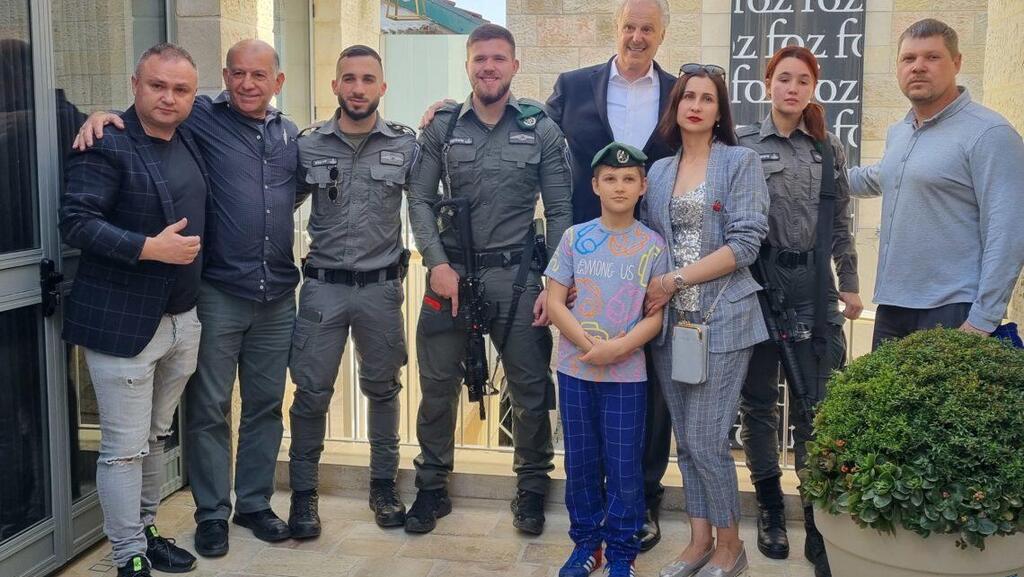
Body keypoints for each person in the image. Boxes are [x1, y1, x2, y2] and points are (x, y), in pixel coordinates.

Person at [74, 39, 302, 555]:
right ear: (225, 76)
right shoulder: (202, 118)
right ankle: (212, 514)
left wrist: (442, 110)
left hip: (276, 294)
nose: (248, 83)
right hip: (217, 290)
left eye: (259, 75)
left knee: (266, 405)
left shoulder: (290, 135)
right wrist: (100, 114)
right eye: (238, 73)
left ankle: (255, 504)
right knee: (209, 408)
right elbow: (145, 112)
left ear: (278, 82)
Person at [405, 23, 572, 536]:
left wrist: (554, 283)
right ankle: (431, 487)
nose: (489, 67)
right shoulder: (441, 126)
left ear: (514, 66)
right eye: (480, 59)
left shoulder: (540, 127)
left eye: (499, 59)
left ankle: (531, 489)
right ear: (468, 64)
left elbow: (561, 208)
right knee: (436, 387)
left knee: (528, 387)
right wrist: (436, 263)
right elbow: (419, 199)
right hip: (450, 276)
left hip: (519, 279)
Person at [61, 43, 206, 577]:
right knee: (122, 450)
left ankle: (145, 529)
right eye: (157, 86)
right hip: (124, 325)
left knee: (153, 439)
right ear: (134, 84)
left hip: (182, 321)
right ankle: (128, 558)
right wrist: (149, 247)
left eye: (181, 89)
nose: (168, 97)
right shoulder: (106, 144)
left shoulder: (191, 134)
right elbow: (76, 222)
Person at [545, 0, 678, 549]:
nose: (637, 36)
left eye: (648, 28)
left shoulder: (678, 93)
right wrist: (446, 110)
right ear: (616, 29)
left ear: (661, 35)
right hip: (591, 258)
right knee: (586, 393)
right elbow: (530, 131)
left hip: (655, 257)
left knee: (648, 384)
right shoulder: (574, 85)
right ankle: (590, 507)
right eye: (630, 26)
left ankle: (643, 500)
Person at [735, 46, 861, 577]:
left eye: (802, 80)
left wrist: (849, 285)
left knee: (817, 408)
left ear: (813, 88)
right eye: (783, 78)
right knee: (759, 404)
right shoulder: (741, 147)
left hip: (813, 285)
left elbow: (839, 226)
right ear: (767, 84)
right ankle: (769, 507)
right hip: (760, 285)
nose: (792, 88)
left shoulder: (828, 149)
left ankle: (816, 520)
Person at [641, 64, 769, 577]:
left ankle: (730, 545)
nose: (696, 104)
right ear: (675, 107)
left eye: (707, 98)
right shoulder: (659, 172)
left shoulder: (740, 162)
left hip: (724, 319)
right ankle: (697, 542)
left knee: (708, 438)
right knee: (686, 441)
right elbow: (650, 245)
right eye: (687, 96)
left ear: (720, 111)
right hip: (673, 327)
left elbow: (745, 244)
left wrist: (674, 281)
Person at [286, 44, 416, 536]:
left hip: (381, 292)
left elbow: (426, 202)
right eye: (349, 79)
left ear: (382, 87)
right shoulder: (307, 144)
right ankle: (304, 495)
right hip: (322, 291)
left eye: (367, 79)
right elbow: (275, 204)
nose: (357, 88)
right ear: (335, 86)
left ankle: (383, 487)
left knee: (383, 391)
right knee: (311, 394)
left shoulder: (407, 145)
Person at [848, 18, 1024, 350]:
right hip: (893, 306)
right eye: (908, 59)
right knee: (886, 403)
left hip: (953, 311)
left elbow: (1009, 233)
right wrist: (810, 166)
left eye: (932, 57)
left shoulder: (989, 133)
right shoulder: (899, 132)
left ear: (956, 63)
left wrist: (982, 320)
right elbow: (877, 178)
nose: (918, 67)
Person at [545, 142, 669, 577]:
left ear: (642, 187)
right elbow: (555, 300)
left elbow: (655, 317)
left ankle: (621, 553)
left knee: (622, 466)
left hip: (627, 375)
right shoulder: (575, 237)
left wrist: (617, 349)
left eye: (629, 179)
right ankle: (585, 545)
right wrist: (586, 345)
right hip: (575, 370)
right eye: (610, 179)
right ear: (595, 185)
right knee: (580, 461)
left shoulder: (653, 245)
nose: (619, 186)